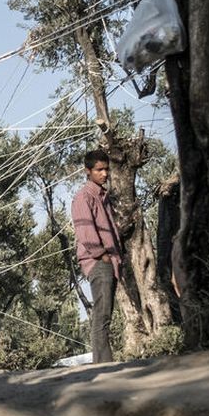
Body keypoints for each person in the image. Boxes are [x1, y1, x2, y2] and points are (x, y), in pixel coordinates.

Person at [71, 148, 121, 364]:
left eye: (106, 169)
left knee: (105, 314)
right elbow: (86, 232)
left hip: (110, 262)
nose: (104, 174)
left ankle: (104, 362)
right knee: (102, 316)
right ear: (88, 171)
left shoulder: (103, 196)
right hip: (98, 262)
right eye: (99, 170)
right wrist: (103, 256)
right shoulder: (84, 197)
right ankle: (103, 365)